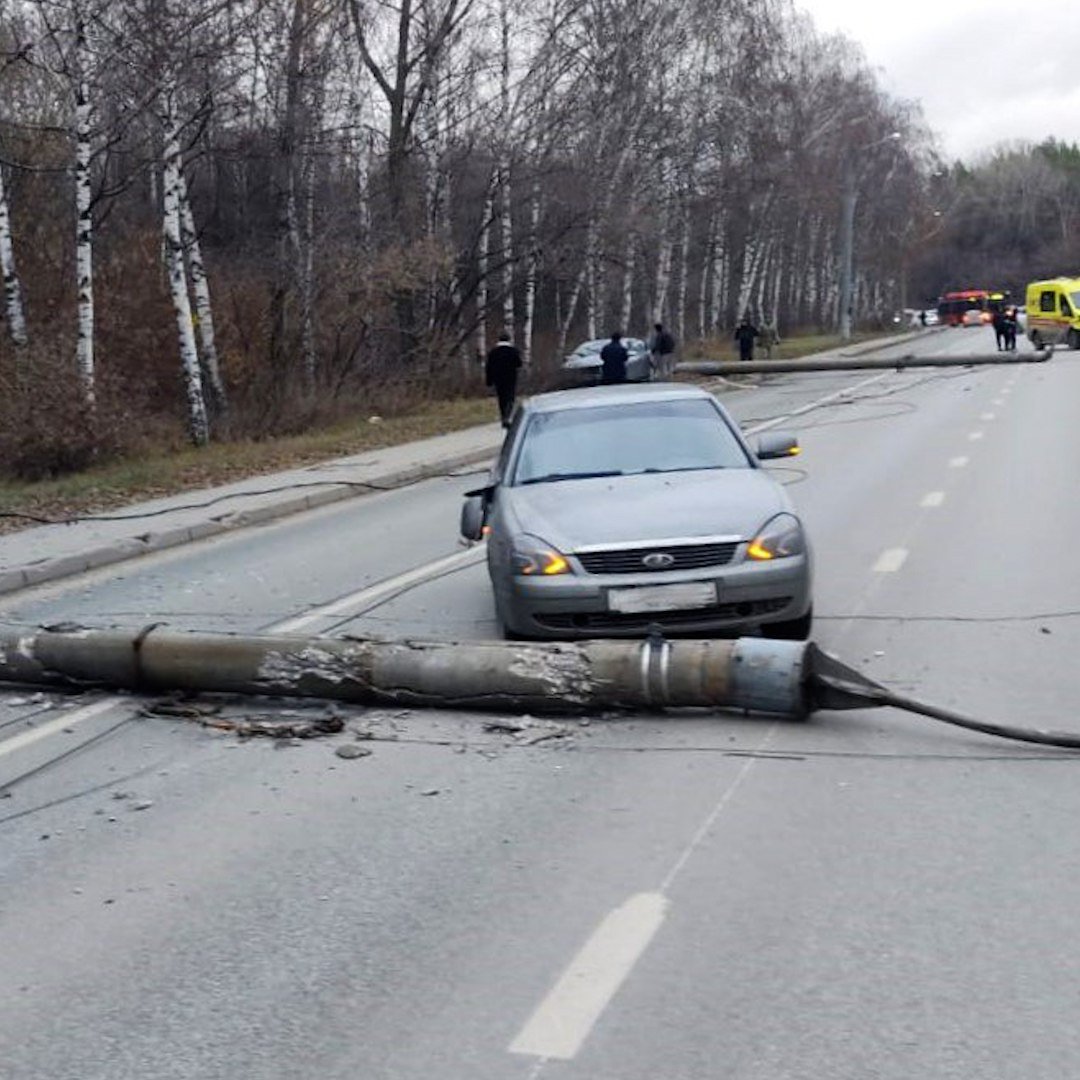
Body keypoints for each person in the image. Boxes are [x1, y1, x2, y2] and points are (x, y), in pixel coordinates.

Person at [485, 330, 522, 428]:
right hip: (510, 378)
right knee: (510, 397)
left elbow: (489, 367)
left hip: (498, 379)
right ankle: (508, 416)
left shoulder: (493, 352)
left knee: (501, 398)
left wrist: (489, 381)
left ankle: (503, 417)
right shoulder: (513, 351)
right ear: (509, 339)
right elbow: (519, 364)